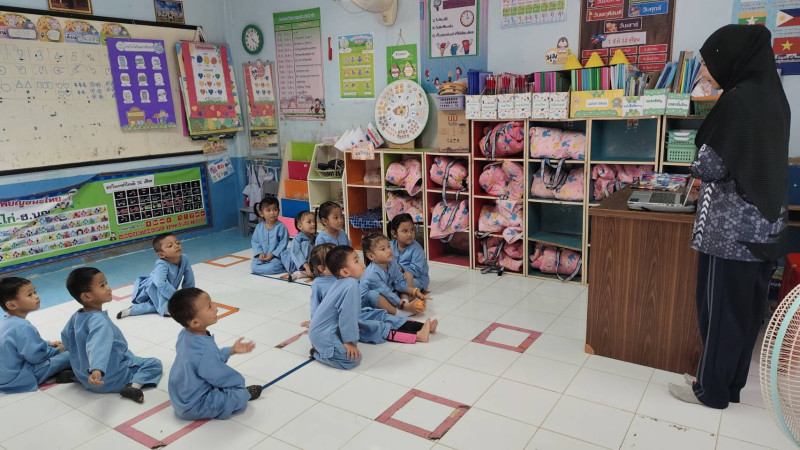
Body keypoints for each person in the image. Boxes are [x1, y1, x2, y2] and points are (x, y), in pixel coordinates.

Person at [668, 25, 790, 410]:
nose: (704, 72)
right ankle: (730, 385)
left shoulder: (737, 101)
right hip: (765, 228)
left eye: (707, 63)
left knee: (719, 312)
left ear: (730, 58)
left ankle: (710, 391)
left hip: (730, 232)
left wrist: (694, 159)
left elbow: (710, 165)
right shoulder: (773, 97)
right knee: (745, 312)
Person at [62, 267, 163, 403]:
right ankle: (133, 386)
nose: (108, 288)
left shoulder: (76, 316)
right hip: (107, 379)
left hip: (84, 376)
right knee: (154, 364)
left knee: (126, 355)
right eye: (102, 286)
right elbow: (98, 345)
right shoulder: (99, 321)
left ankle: (75, 375)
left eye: (106, 283)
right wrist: (97, 369)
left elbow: (66, 339)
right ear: (86, 296)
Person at [167, 288, 262, 420]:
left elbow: (207, 360)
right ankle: (242, 394)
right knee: (239, 396)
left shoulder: (184, 334)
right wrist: (239, 386)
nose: (216, 308)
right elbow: (221, 375)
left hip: (180, 398)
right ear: (195, 322)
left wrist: (231, 350)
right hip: (195, 406)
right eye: (209, 307)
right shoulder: (205, 349)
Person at [0, 277, 74, 393]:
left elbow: (19, 345)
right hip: (17, 378)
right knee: (70, 353)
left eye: (35, 292)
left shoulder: (5, 322)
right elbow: (37, 357)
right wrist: (57, 350)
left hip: (4, 376)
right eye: (30, 295)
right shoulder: (23, 326)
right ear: (12, 305)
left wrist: (48, 343)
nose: (36, 296)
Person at [308, 246, 364, 370]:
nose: (361, 262)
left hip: (321, 332)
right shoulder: (351, 284)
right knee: (353, 360)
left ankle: (322, 348)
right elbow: (347, 315)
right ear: (345, 272)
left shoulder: (343, 281)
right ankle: (317, 353)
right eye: (356, 261)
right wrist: (349, 341)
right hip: (323, 334)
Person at [118, 233, 194, 318]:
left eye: (177, 243)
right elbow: (160, 283)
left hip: (165, 290)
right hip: (152, 288)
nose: (176, 246)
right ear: (161, 255)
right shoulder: (162, 264)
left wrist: (189, 295)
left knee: (156, 305)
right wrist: (177, 297)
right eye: (170, 246)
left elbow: (189, 278)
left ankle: (133, 310)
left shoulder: (184, 258)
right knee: (162, 302)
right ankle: (164, 309)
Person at [360, 233, 428, 315]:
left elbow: (400, 282)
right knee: (373, 295)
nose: (389, 250)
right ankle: (399, 312)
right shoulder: (371, 274)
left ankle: (405, 302)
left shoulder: (391, 262)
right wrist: (404, 305)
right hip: (373, 301)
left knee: (408, 275)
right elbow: (385, 292)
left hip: (389, 292)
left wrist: (415, 292)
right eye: (383, 249)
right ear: (371, 256)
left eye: (388, 246)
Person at [389, 214, 430, 291]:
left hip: (417, 279)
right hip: (397, 276)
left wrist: (401, 269)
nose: (410, 234)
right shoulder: (390, 246)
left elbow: (417, 271)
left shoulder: (417, 249)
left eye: (412, 230)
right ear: (394, 233)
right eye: (405, 231)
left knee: (403, 283)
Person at [251, 196, 289, 275]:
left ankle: (281, 267)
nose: (272, 213)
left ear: (278, 211)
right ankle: (265, 267)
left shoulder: (281, 227)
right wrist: (260, 253)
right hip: (262, 257)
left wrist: (273, 254)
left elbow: (283, 244)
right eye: (268, 210)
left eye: (275, 210)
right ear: (261, 213)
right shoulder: (259, 227)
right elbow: (255, 242)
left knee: (272, 268)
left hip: (276, 258)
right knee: (254, 267)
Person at [281, 210, 316, 281]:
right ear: (300, 226)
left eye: (314, 221)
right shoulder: (298, 238)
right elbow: (296, 252)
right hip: (296, 263)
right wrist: (306, 265)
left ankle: (303, 273)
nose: (313, 224)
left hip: (309, 263)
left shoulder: (316, 236)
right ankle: (302, 271)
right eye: (309, 222)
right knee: (306, 244)